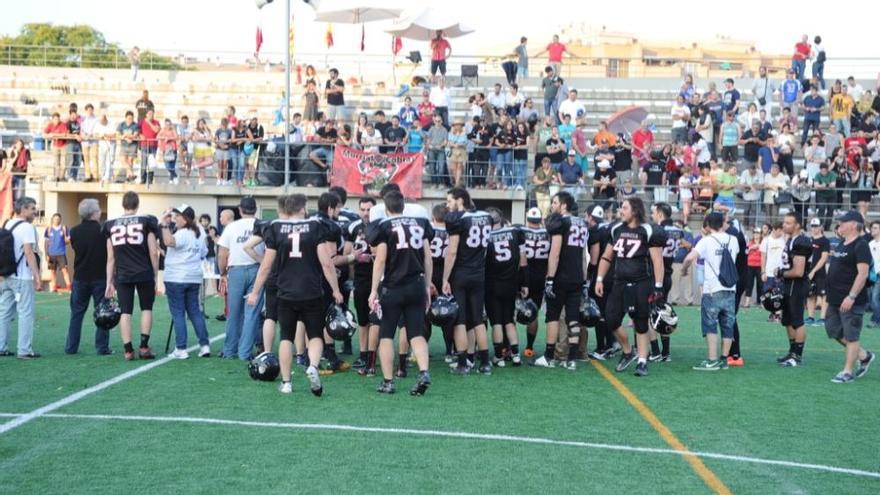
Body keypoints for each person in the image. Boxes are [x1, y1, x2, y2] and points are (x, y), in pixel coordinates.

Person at [247, 194, 342, 396]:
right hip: (311, 290)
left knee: (286, 337)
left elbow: (266, 266)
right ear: (301, 209)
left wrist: (255, 291)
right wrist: (335, 289)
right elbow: (327, 263)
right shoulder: (315, 227)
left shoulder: (275, 227)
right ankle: (313, 366)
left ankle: (287, 382)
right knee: (315, 334)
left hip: (286, 291)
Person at [366, 190, 434, 394]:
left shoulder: (384, 226)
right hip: (416, 284)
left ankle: (388, 382)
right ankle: (423, 372)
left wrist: (373, 291)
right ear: (403, 206)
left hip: (393, 287)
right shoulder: (420, 223)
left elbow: (379, 260)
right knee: (416, 333)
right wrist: (428, 286)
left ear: (386, 209)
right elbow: (427, 258)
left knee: (386, 334)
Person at [595, 198, 667, 377]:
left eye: (624, 208)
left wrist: (658, 286)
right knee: (611, 319)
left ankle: (642, 361)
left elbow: (658, 261)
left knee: (641, 323)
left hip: (641, 282)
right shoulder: (616, 229)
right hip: (619, 281)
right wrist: (599, 279)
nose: (621, 211)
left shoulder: (648, 230)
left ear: (635, 211)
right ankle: (628, 351)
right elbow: (606, 256)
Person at [103, 191, 159, 361]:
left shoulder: (110, 224)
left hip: (123, 274)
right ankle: (143, 347)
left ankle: (128, 350)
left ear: (123, 204)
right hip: (143, 272)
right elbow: (153, 252)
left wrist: (108, 282)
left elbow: (110, 258)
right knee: (146, 308)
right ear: (137, 203)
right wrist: (155, 276)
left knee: (125, 312)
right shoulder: (146, 221)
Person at [443, 187, 493, 375]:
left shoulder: (458, 220)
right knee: (478, 319)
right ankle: (485, 362)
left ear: (460, 200)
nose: (448, 206)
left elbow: (453, 251)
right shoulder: (486, 216)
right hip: (478, 273)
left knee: (460, 321)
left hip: (461, 274)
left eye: (450, 201)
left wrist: (445, 278)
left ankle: (463, 363)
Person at [680, 212, 738, 370]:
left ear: (707, 225)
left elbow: (689, 258)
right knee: (728, 325)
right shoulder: (733, 239)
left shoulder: (706, 241)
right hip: (730, 288)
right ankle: (724, 359)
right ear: (721, 223)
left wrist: (684, 270)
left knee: (710, 324)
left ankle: (712, 360)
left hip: (712, 289)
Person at [823, 211, 875, 383]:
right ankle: (863, 355)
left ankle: (847, 372)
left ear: (854, 224)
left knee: (851, 335)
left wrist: (851, 296)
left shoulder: (860, 245)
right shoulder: (842, 243)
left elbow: (863, 273)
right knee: (833, 331)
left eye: (843, 223)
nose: (840, 225)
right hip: (834, 299)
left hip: (851, 300)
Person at [159, 205, 210, 359]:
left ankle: (181, 348)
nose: (175, 219)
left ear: (185, 218)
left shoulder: (181, 233)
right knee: (195, 312)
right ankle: (204, 345)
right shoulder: (200, 232)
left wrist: (164, 224)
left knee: (178, 313)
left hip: (176, 277)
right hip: (193, 277)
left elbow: (168, 241)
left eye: (177, 216)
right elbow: (203, 252)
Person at [217, 196, 264, 360]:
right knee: (252, 314)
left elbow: (222, 254)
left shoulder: (231, 227)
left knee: (233, 313)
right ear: (255, 209)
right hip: (257, 270)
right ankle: (245, 352)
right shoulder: (263, 225)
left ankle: (230, 351)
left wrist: (222, 273)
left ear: (240, 210)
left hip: (236, 270)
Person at [65, 199, 112, 355]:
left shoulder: (74, 231)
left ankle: (71, 347)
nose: (100, 212)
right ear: (93, 213)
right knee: (103, 314)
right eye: (98, 209)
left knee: (76, 314)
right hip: (100, 277)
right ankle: (102, 347)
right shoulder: (103, 230)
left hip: (80, 277)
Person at [483, 209, 526, 368]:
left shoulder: (486, 237)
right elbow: (523, 261)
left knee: (497, 323)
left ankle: (499, 357)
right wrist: (524, 283)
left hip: (492, 285)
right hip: (510, 284)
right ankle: (515, 355)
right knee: (509, 321)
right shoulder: (515, 232)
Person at [0, 197, 42, 359]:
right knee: (25, 313)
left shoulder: (6, 224)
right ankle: (24, 350)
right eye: (32, 208)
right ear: (23, 209)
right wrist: (37, 276)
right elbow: (29, 252)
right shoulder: (27, 227)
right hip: (22, 277)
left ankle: (1, 346)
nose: (34, 211)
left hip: (6, 275)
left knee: (4, 312)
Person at [345, 197, 378, 373]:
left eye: (369, 209)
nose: (366, 213)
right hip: (361, 277)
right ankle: (364, 354)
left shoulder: (381, 225)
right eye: (363, 209)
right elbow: (347, 252)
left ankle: (374, 353)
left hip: (379, 278)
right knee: (363, 319)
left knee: (378, 319)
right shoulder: (353, 227)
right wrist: (355, 256)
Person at [651, 203, 683, 361]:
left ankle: (655, 351)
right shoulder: (678, 230)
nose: (652, 215)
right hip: (668, 273)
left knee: (650, 313)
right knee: (664, 312)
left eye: (654, 213)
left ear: (659, 213)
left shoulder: (658, 230)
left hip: (657, 275)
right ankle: (666, 352)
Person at [521, 208, 549, 357]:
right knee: (533, 314)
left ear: (527, 219)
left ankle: (507, 347)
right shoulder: (548, 233)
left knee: (509, 313)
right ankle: (529, 347)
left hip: (522, 277)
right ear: (540, 220)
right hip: (540, 277)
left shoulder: (520, 231)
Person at [806, 218, 831, 327]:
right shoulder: (808, 240)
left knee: (823, 295)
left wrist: (814, 271)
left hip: (819, 273)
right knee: (810, 294)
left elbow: (824, 258)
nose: (814, 228)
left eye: (816, 226)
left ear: (821, 227)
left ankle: (822, 318)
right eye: (812, 226)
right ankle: (810, 317)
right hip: (808, 271)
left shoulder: (825, 241)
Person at [43, 213, 70, 293]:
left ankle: (69, 287)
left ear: (60, 220)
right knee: (52, 271)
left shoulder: (64, 228)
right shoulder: (48, 229)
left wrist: (67, 240)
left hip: (61, 253)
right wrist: (46, 254)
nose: (56, 220)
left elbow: (67, 241)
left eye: (58, 219)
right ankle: (54, 287)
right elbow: (46, 243)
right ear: (52, 219)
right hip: (51, 254)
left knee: (65, 270)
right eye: (55, 219)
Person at [868, 221, 880, 328]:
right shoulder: (870, 244)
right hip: (873, 275)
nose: (873, 229)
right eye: (872, 228)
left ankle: (876, 320)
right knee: (873, 298)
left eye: (875, 228)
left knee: (874, 299)